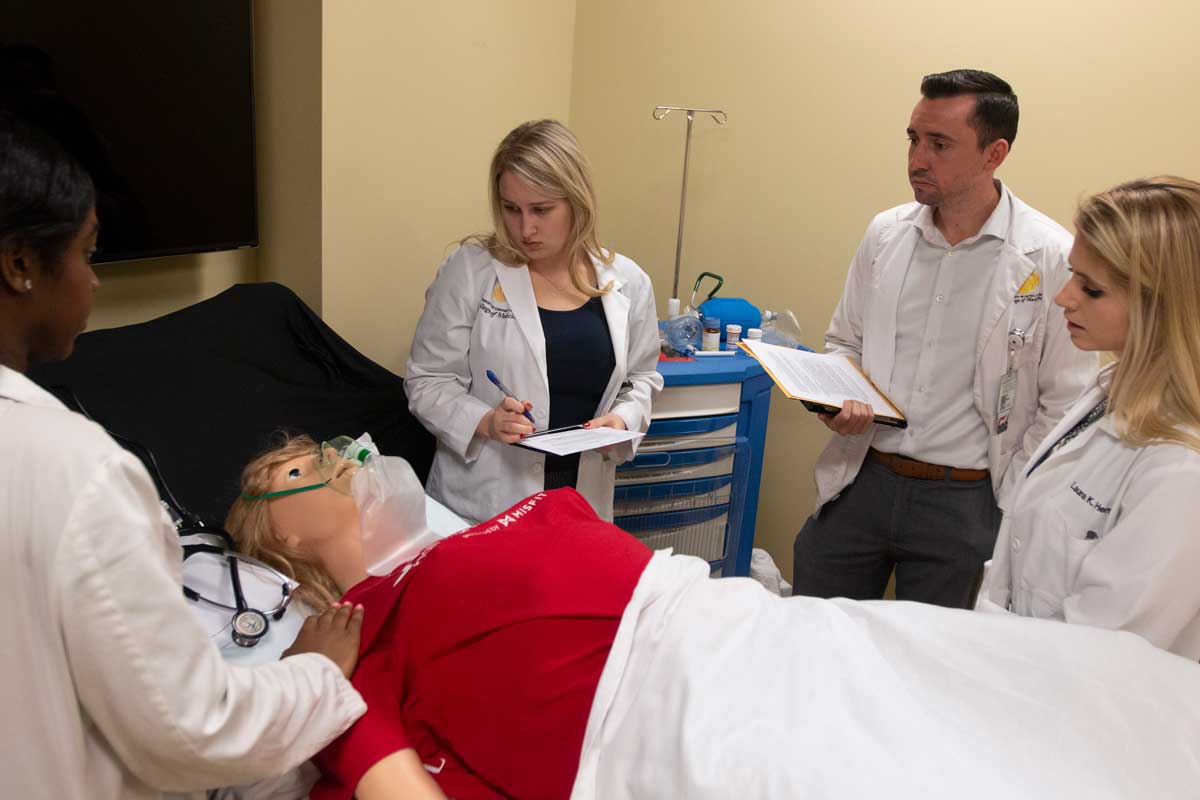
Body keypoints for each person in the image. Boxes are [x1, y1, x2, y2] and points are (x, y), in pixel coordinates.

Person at [226, 434, 1200, 800]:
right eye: (283, 472)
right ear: (269, 540)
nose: (315, 454)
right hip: (665, 717)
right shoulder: (348, 649)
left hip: (726, 622)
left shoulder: (444, 541)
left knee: (995, 678)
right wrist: (335, 692)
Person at [0, 111, 367, 799]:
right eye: (86, 253)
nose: (95, 281)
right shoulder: (76, 470)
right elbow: (192, 730)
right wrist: (315, 671)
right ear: (21, 264)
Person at [793, 70, 1098, 607]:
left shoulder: (1049, 255)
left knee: (933, 666)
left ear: (993, 153)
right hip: (865, 477)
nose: (918, 158)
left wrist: (1008, 496)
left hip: (968, 501)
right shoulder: (885, 234)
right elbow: (845, 342)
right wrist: (838, 398)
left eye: (940, 144)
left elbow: (1066, 402)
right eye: (913, 139)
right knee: (814, 628)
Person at [978, 177, 1200, 660]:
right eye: (1072, 274)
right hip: (1017, 675)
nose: (1063, 299)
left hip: (1088, 710)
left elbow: (1102, 652)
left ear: (1163, 306)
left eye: (1091, 289)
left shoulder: (1182, 470)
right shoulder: (1110, 390)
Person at [405, 119, 662, 523]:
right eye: (512, 209)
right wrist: (486, 421)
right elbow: (427, 381)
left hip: (580, 501)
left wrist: (623, 420)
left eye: (541, 209)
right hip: (485, 502)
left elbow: (642, 379)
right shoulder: (471, 271)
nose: (526, 228)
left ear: (577, 201)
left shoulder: (627, 281)